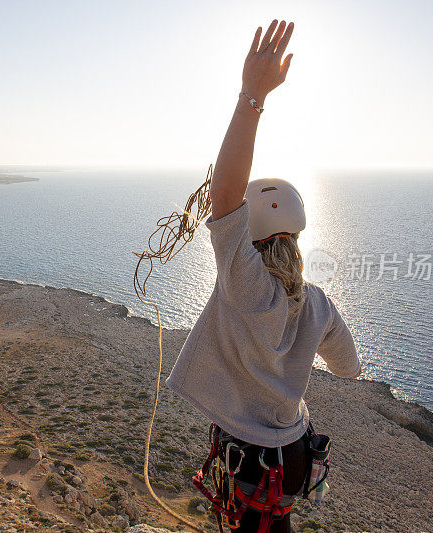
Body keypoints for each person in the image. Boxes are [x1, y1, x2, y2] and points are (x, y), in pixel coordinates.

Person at [165, 20, 361, 533]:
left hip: (251, 464)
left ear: (249, 235)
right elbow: (348, 368)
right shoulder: (317, 303)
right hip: (294, 454)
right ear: (295, 237)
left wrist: (252, 97)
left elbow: (225, 197)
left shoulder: (245, 284)